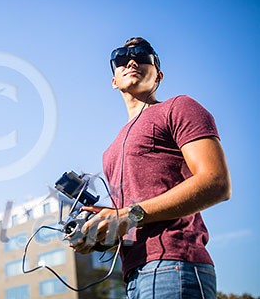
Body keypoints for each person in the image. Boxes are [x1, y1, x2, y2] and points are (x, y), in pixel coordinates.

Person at [70, 37, 231, 298]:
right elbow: (133, 217)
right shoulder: (110, 150)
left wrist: (126, 216)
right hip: (134, 275)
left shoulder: (178, 107)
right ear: (113, 81)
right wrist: (101, 230)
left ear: (159, 75)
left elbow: (216, 182)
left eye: (144, 56)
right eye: (121, 57)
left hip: (175, 265)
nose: (132, 60)